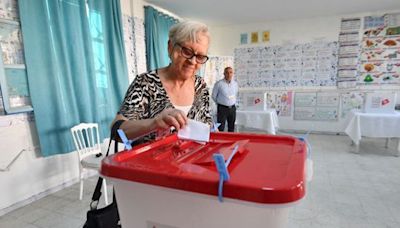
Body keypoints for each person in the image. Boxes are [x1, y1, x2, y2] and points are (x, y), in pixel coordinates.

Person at [111, 21, 213, 142]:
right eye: (186, 51)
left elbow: (207, 124)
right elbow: (116, 131)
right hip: (150, 160)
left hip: (191, 160)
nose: (193, 61)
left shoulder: (201, 86)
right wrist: (153, 123)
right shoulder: (145, 83)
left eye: (200, 56)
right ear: (170, 47)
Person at [212, 67, 238, 132]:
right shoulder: (219, 84)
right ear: (224, 74)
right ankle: (220, 141)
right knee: (221, 127)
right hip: (222, 109)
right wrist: (221, 102)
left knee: (231, 127)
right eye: (227, 72)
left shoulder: (235, 84)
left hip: (232, 108)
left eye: (231, 72)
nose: (229, 74)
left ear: (233, 74)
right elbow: (214, 96)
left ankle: (231, 141)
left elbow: (235, 94)